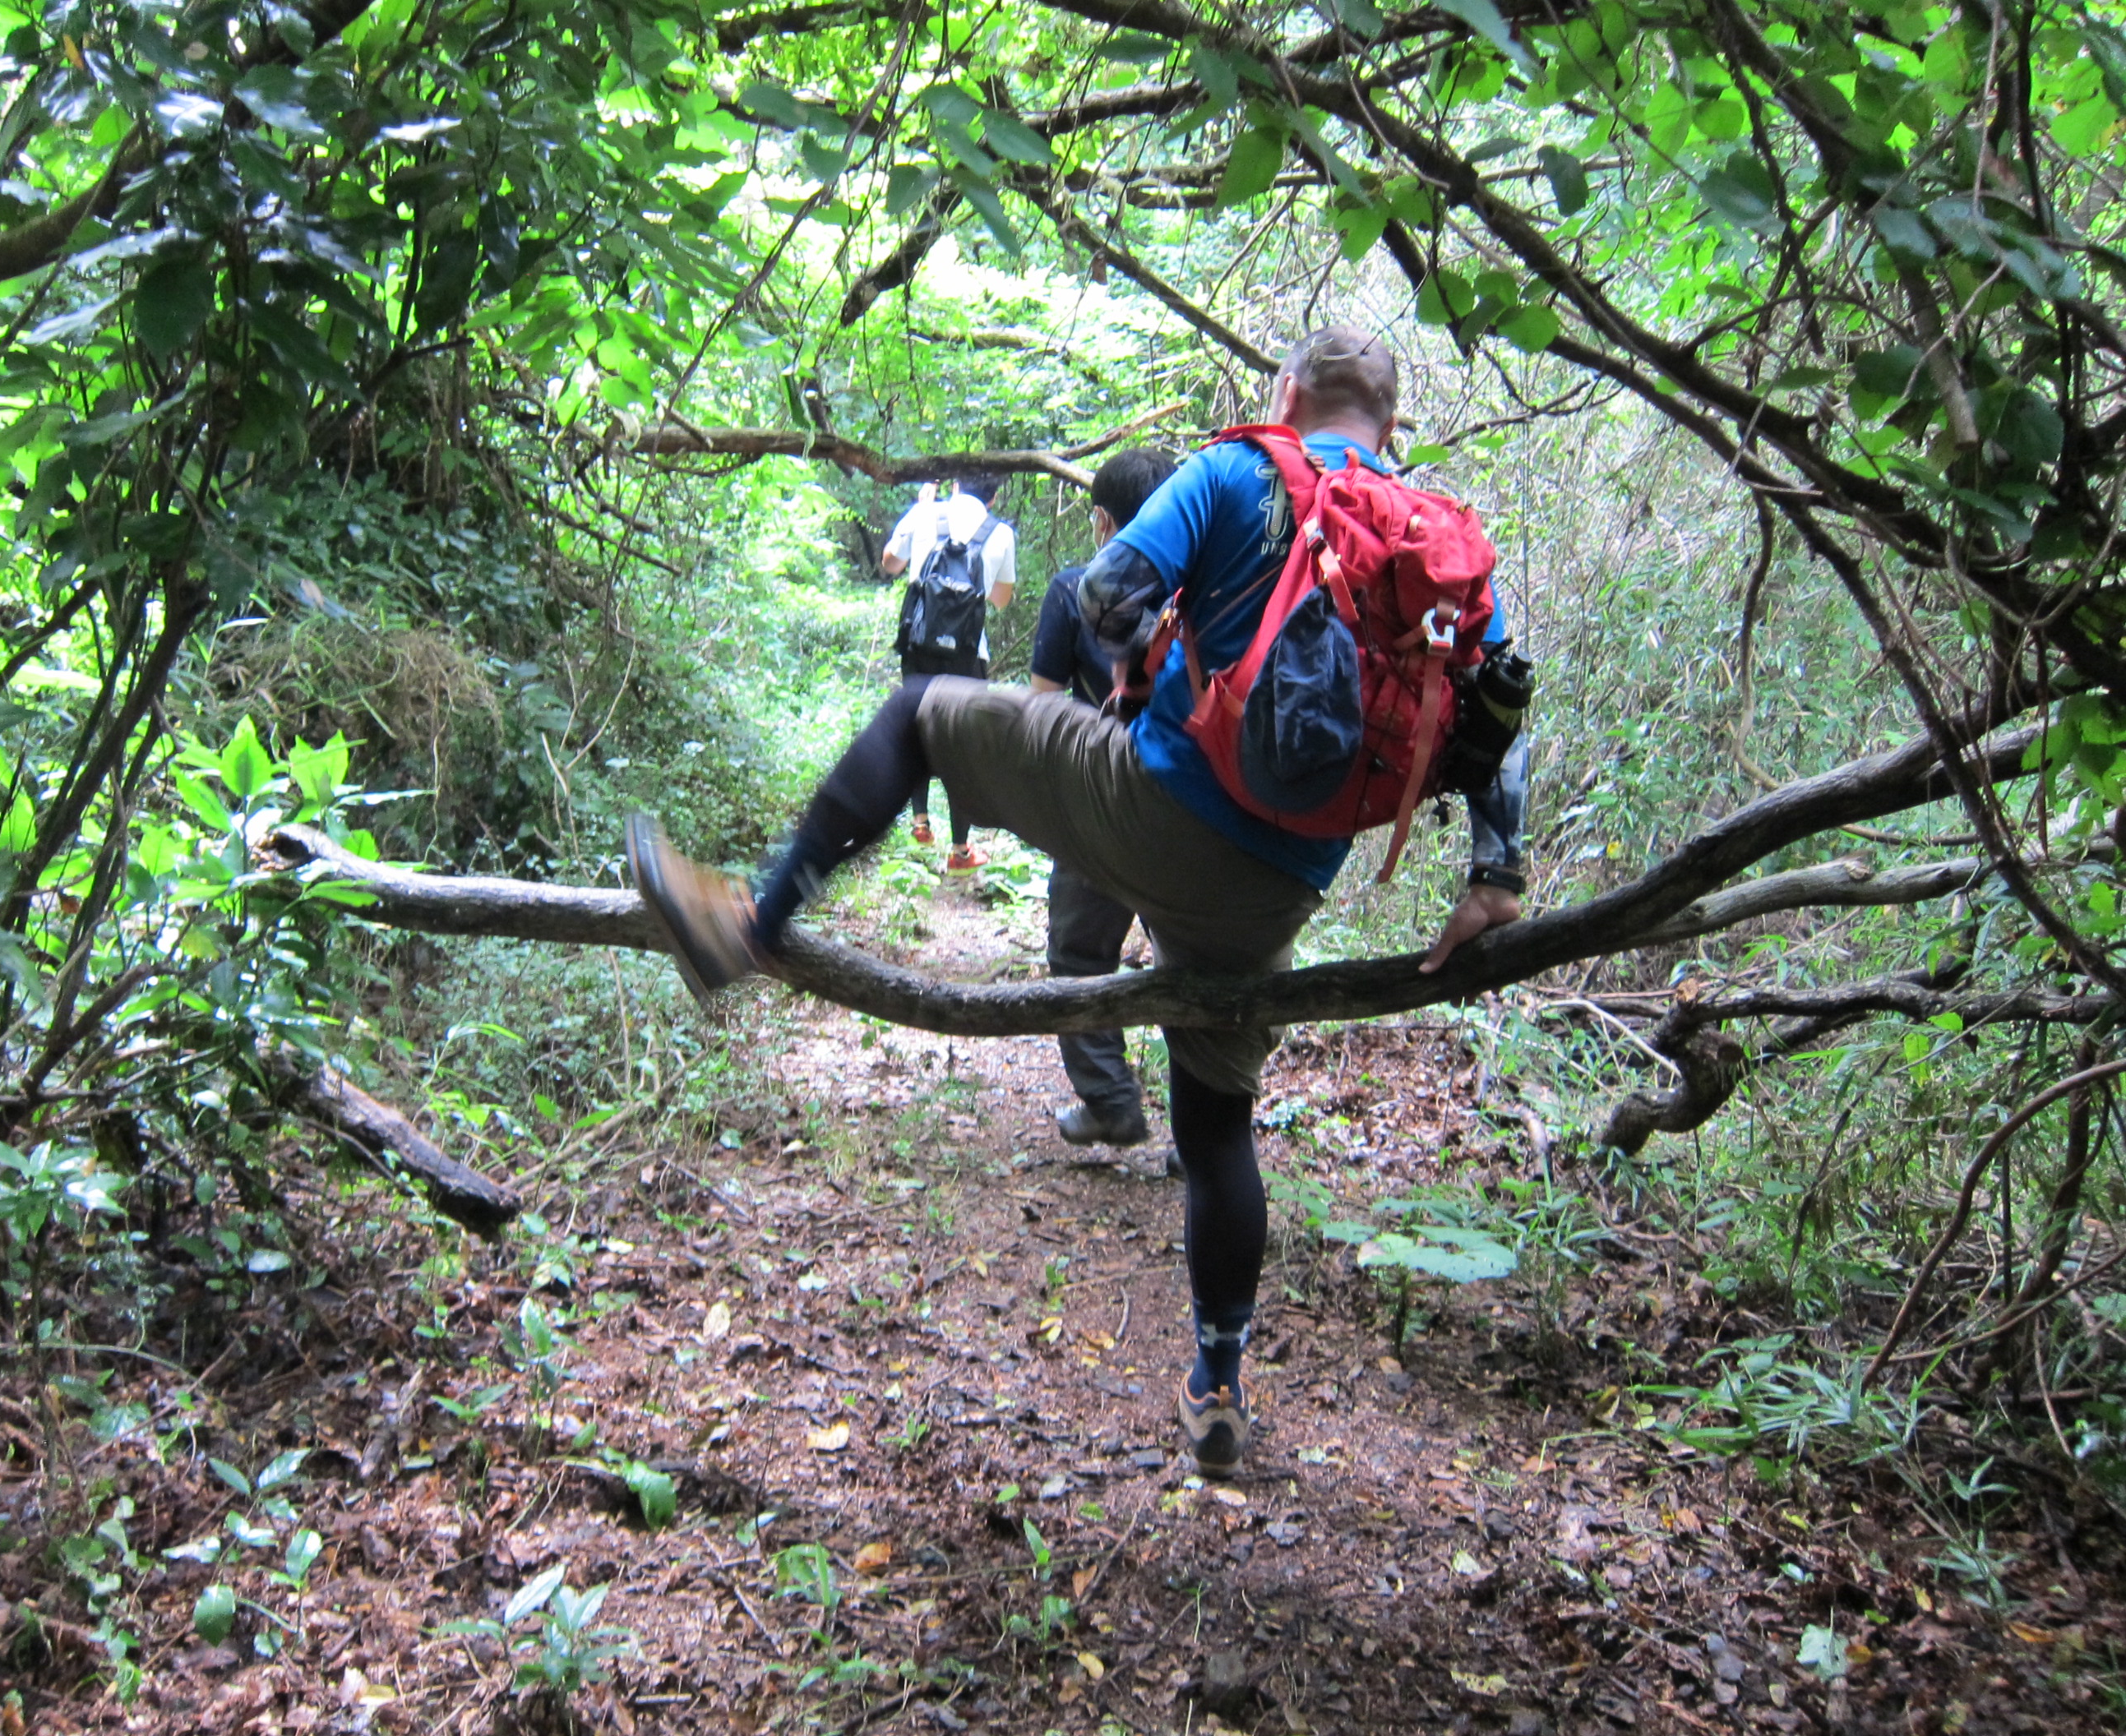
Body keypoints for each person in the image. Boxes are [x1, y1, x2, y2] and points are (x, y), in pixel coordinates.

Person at [629, 326, 1528, 1477]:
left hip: (1147, 804)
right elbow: (1497, 722)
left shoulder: (1240, 472)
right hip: (1277, 887)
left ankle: (749, 925)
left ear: (1287, 393)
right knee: (1215, 1129)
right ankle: (1217, 1384)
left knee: (921, 713)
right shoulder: (1440, 549)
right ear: (1392, 425)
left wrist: (1161, 665)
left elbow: (1109, 594)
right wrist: (1493, 879)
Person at [1028, 446, 1178, 1152]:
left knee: (1081, 952)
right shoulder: (1207, 592)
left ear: (1101, 520)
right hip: (1194, 800)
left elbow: (1043, 709)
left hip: (1103, 798)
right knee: (1191, 959)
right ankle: (1200, 1134)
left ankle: (1111, 1102)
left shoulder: (1071, 590)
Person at [880, 475, 1016, 870]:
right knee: (962, 746)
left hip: (918, 645)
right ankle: (960, 851)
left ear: (955, 485)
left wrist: (921, 508)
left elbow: (890, 563)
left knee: (916, 728)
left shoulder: (925, 512)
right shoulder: (1000, 532)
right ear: (993, 497)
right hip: (969, 654)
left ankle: (920, 824)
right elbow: (1002, 600)